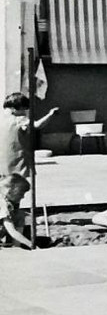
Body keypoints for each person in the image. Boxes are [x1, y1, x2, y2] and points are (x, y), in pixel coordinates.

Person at [2, 91, 58, 249]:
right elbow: (37, 126)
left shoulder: (2, 119)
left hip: (3, 164)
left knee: (5, 196)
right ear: (16, 108)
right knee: (15, 195)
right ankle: (12, 229)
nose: (26, 111)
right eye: (24, 108)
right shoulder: (19, 119)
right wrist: (50, 114)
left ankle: (7, 225)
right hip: (18, 164)